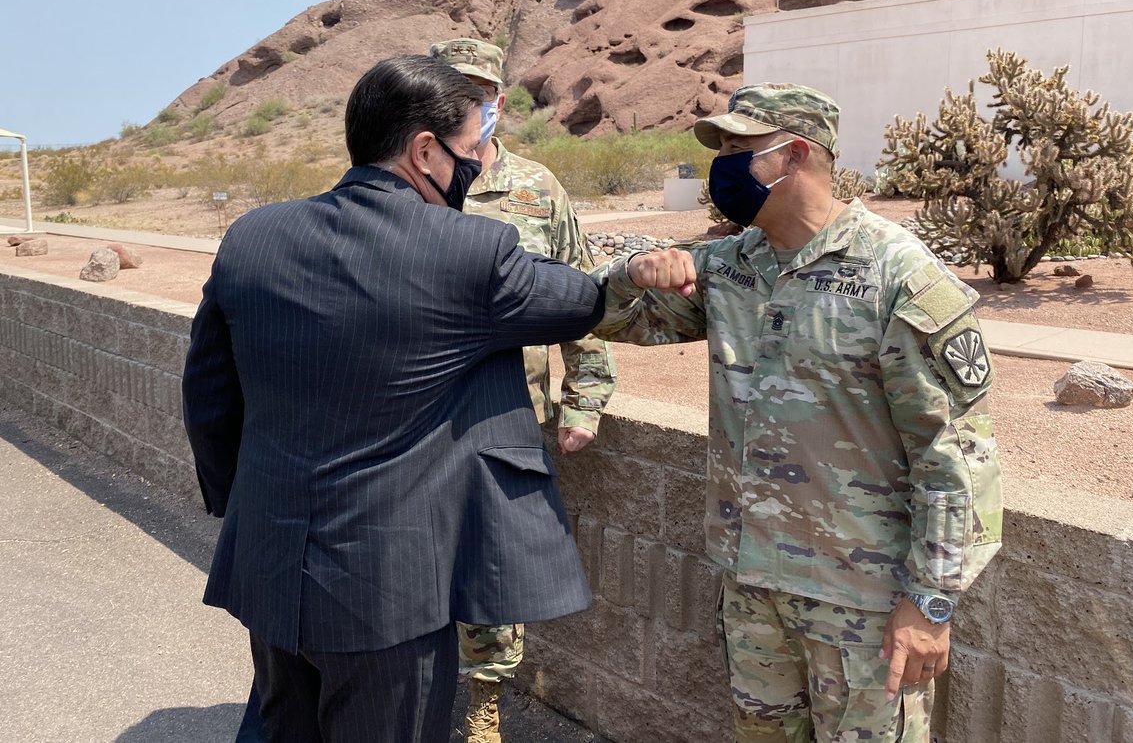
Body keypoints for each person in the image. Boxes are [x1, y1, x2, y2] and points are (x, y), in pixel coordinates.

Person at [184, 54, 603, 743]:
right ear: (425, 151)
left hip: (269, 563)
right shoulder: (473, 253)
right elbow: (583, 299)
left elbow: (208, 396)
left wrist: (251, 504)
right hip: (388, 593)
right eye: (471, 151)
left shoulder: (253, 237)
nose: (476, 167)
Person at [590, 84, 1003, 742]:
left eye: (737, 149)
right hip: (754, 588)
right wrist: (633, 274)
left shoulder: (896, 274)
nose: (721, 166)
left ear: (795, 155)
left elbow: (956, 456)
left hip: (861, 608)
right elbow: (614, 320)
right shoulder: (730, 266)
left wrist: (929, 602)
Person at [430, 36, 617, 743]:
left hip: (510, 414)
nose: (467, 106)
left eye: (478, 94)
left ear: (499, 104)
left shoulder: (536, 189)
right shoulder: (404, 182)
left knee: (490, 566)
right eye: (451, 91)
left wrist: (587, 397)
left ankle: (483, 698)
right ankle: (411, 692)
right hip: (416, 413)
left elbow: (583, 293)